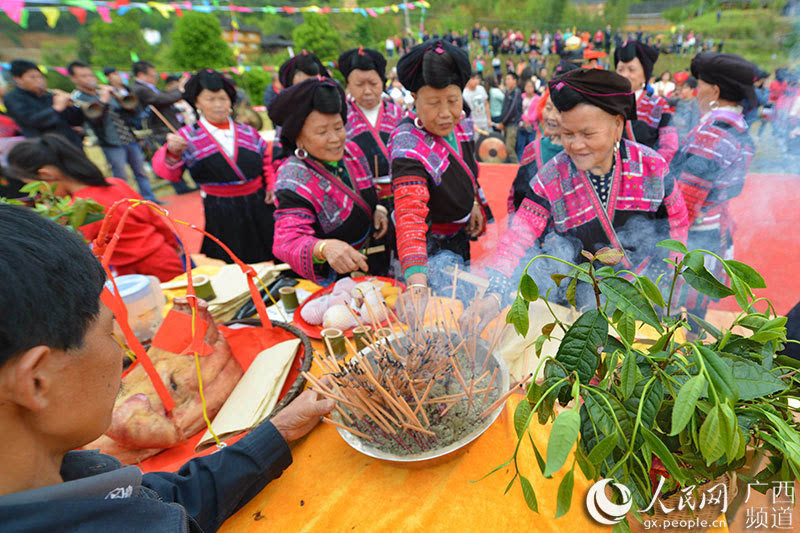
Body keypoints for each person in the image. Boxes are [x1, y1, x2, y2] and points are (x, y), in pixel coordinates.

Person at [0, 203, 335, 532]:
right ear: (37, 382)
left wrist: (278, 433)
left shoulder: (70, 479)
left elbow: (171, 499)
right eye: (108, 332)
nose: (125, 357)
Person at [462, 69, 689, 328]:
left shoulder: (652, 167)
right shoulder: (553, 177)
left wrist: (669, 285)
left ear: (617, 125)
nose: (576, 145)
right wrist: (496, 292)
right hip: (579, 305)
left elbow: (677, 230)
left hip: (643, 301)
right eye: (568, 134)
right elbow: (518, 235)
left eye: (588, 134)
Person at [391, 40, 493, 305]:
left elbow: (468, 170)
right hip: (427, 247)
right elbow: (409, 214)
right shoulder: (406, 142)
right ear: (414, 99)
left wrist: (472, 203)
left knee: (463, 305)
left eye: (453, 100)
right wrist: (416, 281)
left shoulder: (463, 123)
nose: (446, 113)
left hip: (459, 238)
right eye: (434, 103)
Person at [6, 134, 184, 281]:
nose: (40, 195)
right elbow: (153, 217)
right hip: (163, 256)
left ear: (46, 175)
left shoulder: (76, 208)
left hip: (137, 271)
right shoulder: (115, 183)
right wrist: (172, 243)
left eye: (35, 187)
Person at [268, 77, 388, 284]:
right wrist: (323, 248)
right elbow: (286, 241)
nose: (335, 139)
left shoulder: (352, 151)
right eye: (322, 132)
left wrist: (377, 209)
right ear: (298, 138)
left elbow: (366, 192)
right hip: (337, 280)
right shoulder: (293, 179)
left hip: (375, 259)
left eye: (338, 127)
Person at [152, 70, 276, 263]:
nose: (218, 105)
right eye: (210, 99)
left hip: (259, 201)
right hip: (220, 207)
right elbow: (170, 174)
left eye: (223, 99)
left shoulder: (248, 132)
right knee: (236, 260)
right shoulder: (187, 137)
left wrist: (271, 185)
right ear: (197, 103)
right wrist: (173, 152)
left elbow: (266, 160)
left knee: (273, 248)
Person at [670, 53, 757, 320]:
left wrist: (668, 244)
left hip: (693, 240)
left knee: (671, 314)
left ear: (715, 91)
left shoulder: (711, 134)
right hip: (714, 234)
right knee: (697, 316)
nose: (697, 92)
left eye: (701, 85)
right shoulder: (739, 131)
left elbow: (686, 203)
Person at [68, 61, 159, 204]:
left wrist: (118, 95)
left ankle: (150, 200)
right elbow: (94, 121)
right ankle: (129, 206)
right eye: (83, 76)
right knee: (121, 177)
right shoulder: (77, 98)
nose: (90, 79)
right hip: (111, 142)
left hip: (128, 137)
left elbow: (130, 111)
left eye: (90, 75)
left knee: (140, 172)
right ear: (73, 79)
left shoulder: (103, 91)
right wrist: (103, 101)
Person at [337, 47, 405, 206]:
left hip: (399, 194)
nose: (367, 91)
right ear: (348, 85)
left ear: (383, 82)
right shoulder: (342, 116)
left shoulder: (396, 112)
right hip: (359, 195)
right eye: (359, 84)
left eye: (373, 83)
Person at [614, 40, 679, 164]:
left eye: (631, 70)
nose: (624, 75)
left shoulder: (658, 105)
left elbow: (669, 146)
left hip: (645, 175)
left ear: (645, 75)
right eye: (620, 69)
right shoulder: (606, 102)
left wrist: (650, 169)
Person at [507, 87, 566, 216]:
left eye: (559, 111)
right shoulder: (533, 149)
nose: (550, 116)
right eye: (548, 108)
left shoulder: (582, 152)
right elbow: (518, 193)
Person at [3, 60, 84, 148]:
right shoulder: (13, 98)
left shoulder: (49, 96)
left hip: (71, 144)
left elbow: (75, 121)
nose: (39, 81)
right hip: (45, 147)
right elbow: (31, 120)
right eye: (33, 77)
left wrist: (71, 106)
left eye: (41, 77)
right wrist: (56, 108)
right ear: (17, 79)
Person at [497, 71, 522, 163]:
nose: (506, 81)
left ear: (514, 80)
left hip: (512, 124)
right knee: (506, 148)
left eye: (508, 79)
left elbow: (512, 109)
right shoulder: (508, 92)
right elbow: (504, 108)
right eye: (506, 79)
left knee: (509, 148)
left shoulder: (516, 92)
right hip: (507, 123)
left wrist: (502, 122)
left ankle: (517, 168)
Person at [669, 73, 700, 142]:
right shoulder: (679, 100)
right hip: (673, 135)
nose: (681, 90)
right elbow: (666, 100)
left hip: (684, 137)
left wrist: (690, 139)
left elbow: (694, 123)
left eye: (685, 88)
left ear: (692, 89)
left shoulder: (694, 103)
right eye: (681, 87)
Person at [463, 72, 491, 140]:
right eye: (473, 79)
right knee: (476, 145)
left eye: (477, 78)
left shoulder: (481, 89)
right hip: (475, 124)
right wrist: (471, 124)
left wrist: (489, 118)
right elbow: (466, 112)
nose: (476, 81)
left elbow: (486, 104)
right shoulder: (465, 94)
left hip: (484, 121)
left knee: (486, 142)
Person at [516, 78, 539, 161]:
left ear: (534, 88)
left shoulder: (537, 99)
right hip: (522, 125)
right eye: (527, 86)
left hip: (532, 126)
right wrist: (523, 120)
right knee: (520, 145)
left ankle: (529, 163)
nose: (529, 89)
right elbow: (518, 110)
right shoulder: (521, 97)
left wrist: (528, 120)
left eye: (531, 87)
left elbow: (536, 114)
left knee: (530, 146)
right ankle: (520, 162)